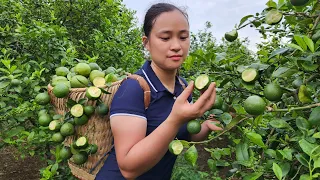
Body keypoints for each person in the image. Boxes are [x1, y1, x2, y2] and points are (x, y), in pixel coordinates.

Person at [95, 3, 222, 180]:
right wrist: (175, 119)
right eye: (165, 38)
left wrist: (207, 125)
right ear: (146, 43)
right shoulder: (133, 90)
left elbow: (188, 133)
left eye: (183, 37)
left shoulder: (183, 87)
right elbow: (128, 168)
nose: (177, 46)